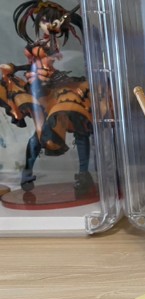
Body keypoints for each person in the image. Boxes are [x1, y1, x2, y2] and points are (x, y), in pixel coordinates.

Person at [0, 0, 93, 195]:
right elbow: (34, 64)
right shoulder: (40, 44)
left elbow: (54, 57)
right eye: (45, 21)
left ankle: (84, 173)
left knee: (79, 123)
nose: (49, 24)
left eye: (53, 21)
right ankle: (27, 173)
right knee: (40, 133)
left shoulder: (53, 43)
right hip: (40, 89)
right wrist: (14, 68)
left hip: (59, 85)